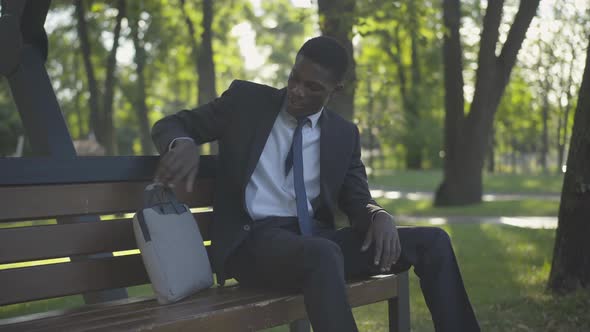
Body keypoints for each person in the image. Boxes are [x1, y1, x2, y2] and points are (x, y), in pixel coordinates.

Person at [152, 36, 480, 332]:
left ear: (335, 90)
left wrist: (378, 214)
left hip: (315, 243)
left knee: (433, 242)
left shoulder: (342, 134)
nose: (297, 90)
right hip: (252, 244)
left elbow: (357, 198)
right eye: (295, 78)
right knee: (323, 253)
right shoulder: (246, 102)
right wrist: (182, 142)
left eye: (313, 87)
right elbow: (174, 123)